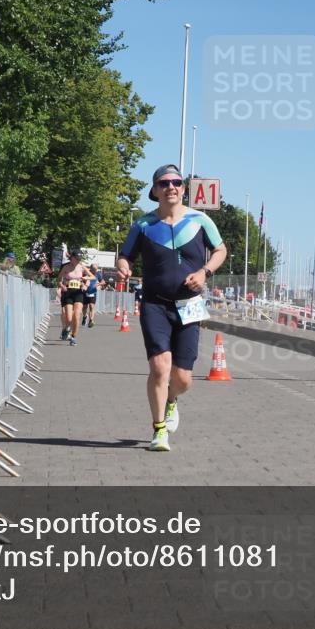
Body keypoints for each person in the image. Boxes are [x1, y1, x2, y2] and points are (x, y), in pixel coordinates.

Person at [117, 164, 227, 452]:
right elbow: (124, 256)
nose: (171, 187)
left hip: (189, 305)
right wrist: (123, 267)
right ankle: (159, 430)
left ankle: (172, 400)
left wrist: (204, 272)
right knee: (159, 367)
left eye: (176, 182)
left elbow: (221, 250)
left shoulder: (200, 220)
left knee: (183, 379)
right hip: (155, 304)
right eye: (164, 183)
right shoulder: (143, 225)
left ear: (183, 187)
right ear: (154, 190)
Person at [57, 250, 90, 345]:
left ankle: (73, 337)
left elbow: (90, 277)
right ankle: (66, 328)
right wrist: (62, 286)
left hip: (79, 293)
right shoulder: (65, 267)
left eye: (79, 259)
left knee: (77, 315)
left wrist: (85, 285)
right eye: (77, 259)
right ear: (72, 258)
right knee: (68, 316)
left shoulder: (82, 267)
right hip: (68, 293)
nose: (78, 261)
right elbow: (59, 280)